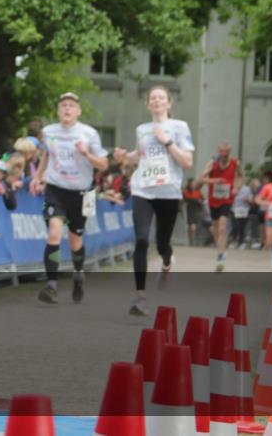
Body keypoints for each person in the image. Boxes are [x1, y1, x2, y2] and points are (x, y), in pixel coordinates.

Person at [113, 85, 194, 316]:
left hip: (168, 192)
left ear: (169, 104)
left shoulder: (179, 127)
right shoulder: (142, 129)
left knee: (162, 244)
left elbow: (187, 162)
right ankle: (140, 296)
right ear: (148, 104)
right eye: (152, 98)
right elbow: (140, 156)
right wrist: (124, 157)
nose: (157, 101)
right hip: (143, 190)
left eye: (161, 98)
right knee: (140, 240)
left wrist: (167, 141)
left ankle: (167, 262)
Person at [29, 92, 108, 305]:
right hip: (56, 189)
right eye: (63, 105)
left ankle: (78, 273)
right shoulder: (48, 132)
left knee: (75, 240)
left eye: (71, 105)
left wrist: (87, 154)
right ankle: (51, 285)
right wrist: (37, 177)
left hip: (82, 192)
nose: (67, 109)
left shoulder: (89, 134)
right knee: (54, 233)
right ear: (58, 110)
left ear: (78, 111)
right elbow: (46, 154)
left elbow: (104, 164)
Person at [196, 142, 243, 272]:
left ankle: (220, 256)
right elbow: (201, 178)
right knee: (215, 228)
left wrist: (236, 188)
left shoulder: (235, 163)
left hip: (227, 199)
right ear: (218, 151)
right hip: (213, 200)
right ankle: (221, 249)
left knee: (222, 227)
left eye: (226, 152)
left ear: (229, 152)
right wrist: (214, 181)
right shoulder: (212, 163)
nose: (224, 154)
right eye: (222, 152)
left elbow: (240, 177)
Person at [182, 178, 205, 246]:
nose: (193, 185)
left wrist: (200, 201)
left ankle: (191, 241)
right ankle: (191, 241)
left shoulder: (198, 192)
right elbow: (186, 199)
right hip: (189, 210)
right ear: (189, 184)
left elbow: (202, 200)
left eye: (194, 184)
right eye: (192, 184)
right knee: (191, 227)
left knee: (193, 227)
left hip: (197, 211)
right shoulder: (186, 192)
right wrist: (196, 200)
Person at [232, 180, 253, 249]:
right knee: (235, 226)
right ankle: (235, 241)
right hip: (234, 209)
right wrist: (232, 194)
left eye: (239, 181)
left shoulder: (247, 189)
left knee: (242, 226)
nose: (237, 182)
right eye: (236, 181)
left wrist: (246, 199)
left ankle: (242, 242)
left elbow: (251, 200)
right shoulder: (232, 188)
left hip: (244, 209)